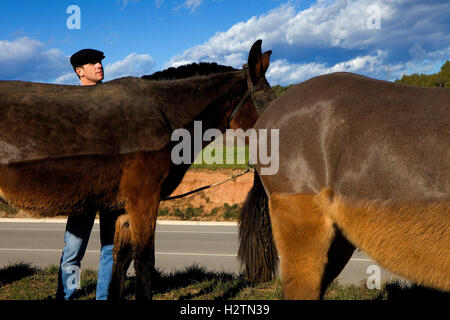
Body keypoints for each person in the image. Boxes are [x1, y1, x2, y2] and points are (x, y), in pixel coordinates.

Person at [56, 49, 116, 300]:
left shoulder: (114, 98)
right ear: (79, 71)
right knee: (73, 249)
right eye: (92, 63)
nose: (99, 65)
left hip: (114, 185)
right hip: (84, 188)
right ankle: (68, 295)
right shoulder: (71, 103)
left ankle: (104, 298)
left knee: (111, 249)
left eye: (100, 61)